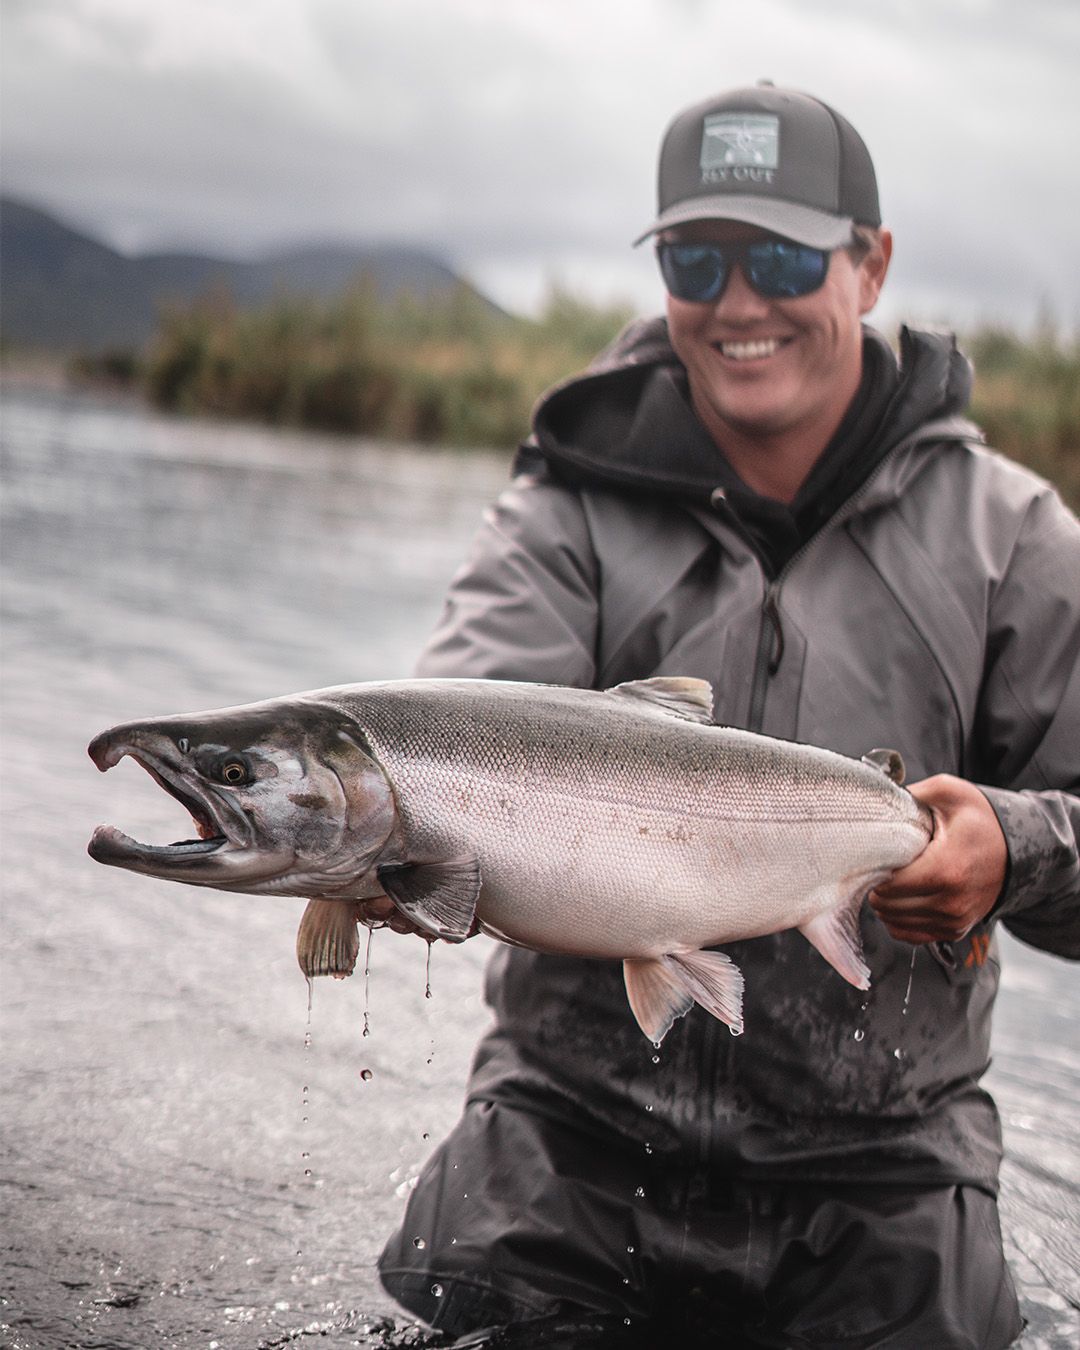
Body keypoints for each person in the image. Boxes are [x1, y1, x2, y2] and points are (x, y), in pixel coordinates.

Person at [375, 82, 1080, 1347]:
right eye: (698, 259)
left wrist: (1012, 850)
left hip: (888, 1168)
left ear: (871, 268)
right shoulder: (565, 503)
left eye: (782, 257)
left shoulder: (1015, 542)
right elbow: (450, 734)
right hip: (564, 1134)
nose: (738, 301)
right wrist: (382, 852)